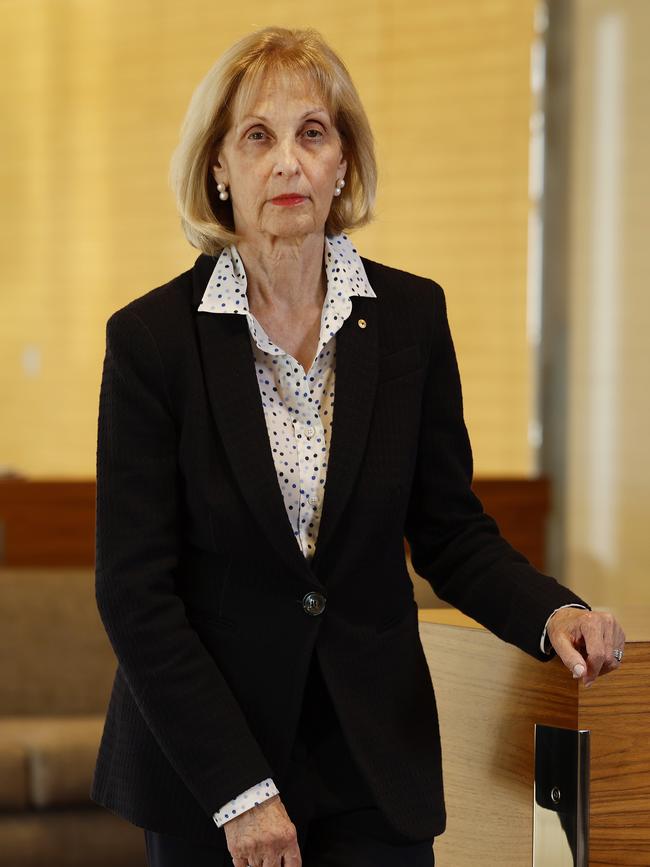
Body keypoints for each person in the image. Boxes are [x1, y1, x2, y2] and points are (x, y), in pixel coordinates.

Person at [89, 26, 626, 867]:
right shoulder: (152, 342)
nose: (289, 162)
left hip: (373, 756)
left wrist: (552, 610)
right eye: (257, 136)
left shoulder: (411, 319)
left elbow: (450, 528)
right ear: (218, 169)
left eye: (313, 133)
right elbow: (133, 591)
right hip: (210, 766)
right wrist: (241, 790)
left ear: (344, 162)